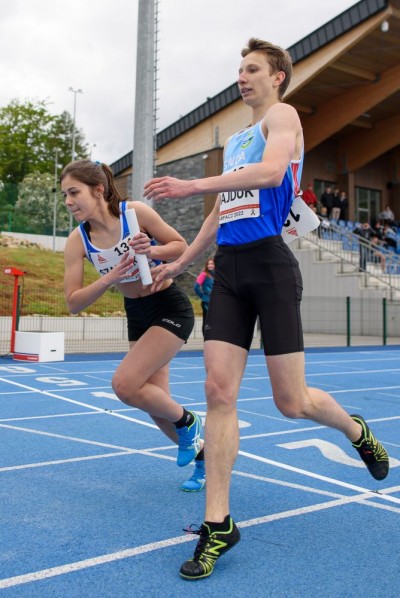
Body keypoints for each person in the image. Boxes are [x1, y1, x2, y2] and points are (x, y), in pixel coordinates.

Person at [144, 38, 390, 580]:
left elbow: (274, 173)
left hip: (272, 268)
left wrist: (192, 181)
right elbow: (217, 215)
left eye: (252, 68)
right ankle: (219, 523)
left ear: (277, 77)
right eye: (238, 69)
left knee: (292, 401)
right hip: (230, 270)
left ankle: (355, 431)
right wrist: (181, 262)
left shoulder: (283, 117)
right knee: (218, 391)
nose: (242, 76)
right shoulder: (234, 142)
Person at [61, 159, 205, 493]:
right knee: (155, 404)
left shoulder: (135, 214)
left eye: (73, 192)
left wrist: (152, 249)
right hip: (137, 313)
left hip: (169, 306)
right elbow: (73, 303)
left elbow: (180, 247)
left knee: (125, 385)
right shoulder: (78, 240)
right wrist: (110, 277)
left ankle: (190, 421)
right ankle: (205, 460)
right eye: (64, 195)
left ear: (98, 190)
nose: (68, 201)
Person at [193, 258, 215, 337]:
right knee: (207, 321)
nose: (210, 265)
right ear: (206, 266)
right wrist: (202, 296)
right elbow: (196, 287)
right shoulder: (204, 274)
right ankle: (206, 339)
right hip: (206, 302)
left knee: (214, 321)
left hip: (215, 302)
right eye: (208, 264)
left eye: (212, 264)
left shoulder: (217, 275)